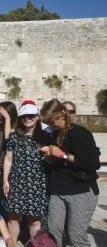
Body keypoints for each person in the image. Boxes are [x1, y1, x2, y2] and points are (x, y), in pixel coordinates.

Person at [40, 99, 100, 247]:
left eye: (51, 121)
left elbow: (93, 164)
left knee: (76, 236)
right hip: (58, 190)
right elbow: (58, 164)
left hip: (81, 191)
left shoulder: (80, 133)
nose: (50, 125)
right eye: (47, 122)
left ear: (62, 114)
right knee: (54, 231)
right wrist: (49, 157)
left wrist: (63, 155)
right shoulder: (54, 135)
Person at [2, 102, 53, 245]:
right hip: (17, 181)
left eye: (31, 116)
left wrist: (49, 154)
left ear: (37, 117)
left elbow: (51, 161)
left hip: (37, 183)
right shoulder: (14, 137)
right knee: (13, 218)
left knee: (34, 220)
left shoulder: (45, 137)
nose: (27, 119)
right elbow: (8, 159)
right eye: (24, 116)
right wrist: (6, 180)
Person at [0, 102, 18, 220]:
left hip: (16, 168)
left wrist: (7, 120)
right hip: (2, 168)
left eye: (3, 112)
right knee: (2, 198)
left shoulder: (18, 129)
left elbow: (8, 140)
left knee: (13, 200)